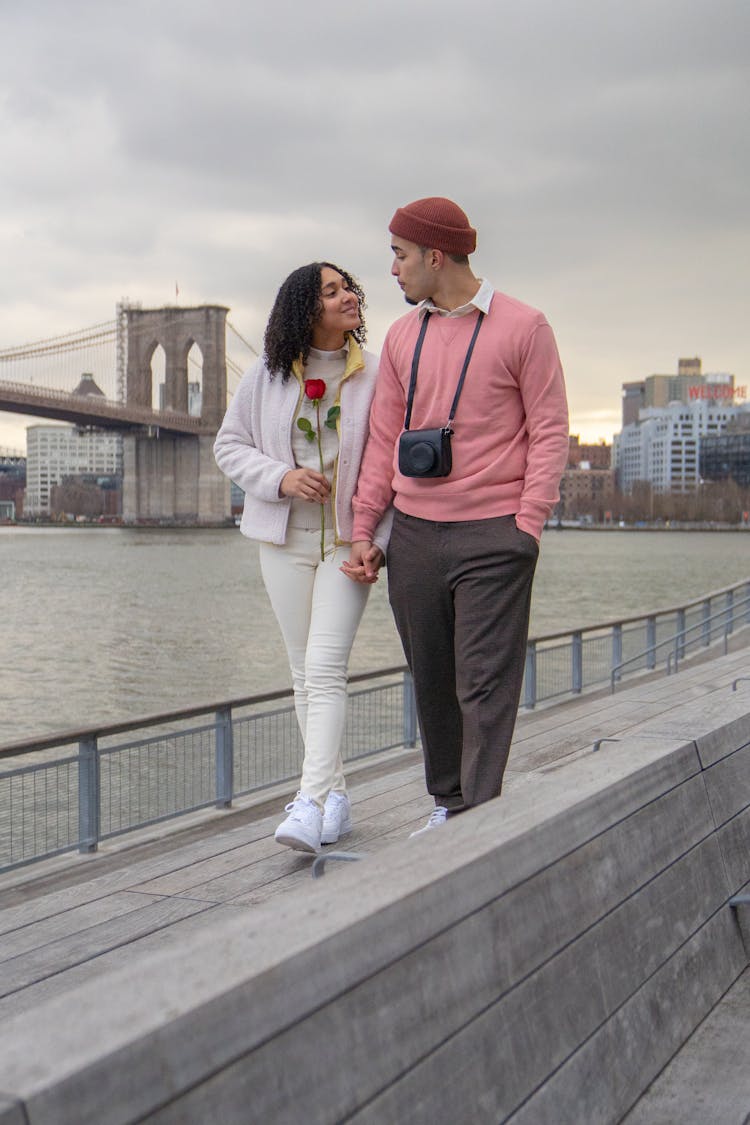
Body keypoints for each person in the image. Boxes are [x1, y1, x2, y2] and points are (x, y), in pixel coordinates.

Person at [343, 197, 569, 837]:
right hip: (413, 534)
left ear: (434, 256)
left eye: (399, 254)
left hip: (495, 534)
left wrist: (527, 524)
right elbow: (386, 437)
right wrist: (366, 530)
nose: (392, 269)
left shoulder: (526, 327)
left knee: (483, 685)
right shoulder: (401, 336)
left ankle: (480, 818)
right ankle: (448, 806)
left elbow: (550, 432)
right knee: (434, 683)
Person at [214, 262, 392, 853]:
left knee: (323, 668)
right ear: (304, 310)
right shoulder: (265, 377)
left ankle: (310, 801)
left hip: (349, 543)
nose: (348, 298)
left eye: (348, 289)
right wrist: (281, 477)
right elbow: (229, 445)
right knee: (301, 672)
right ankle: (335, 797)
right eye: (332, 291)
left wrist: (378, 540)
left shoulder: (377, 376)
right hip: (282, 541)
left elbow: (388, 467)